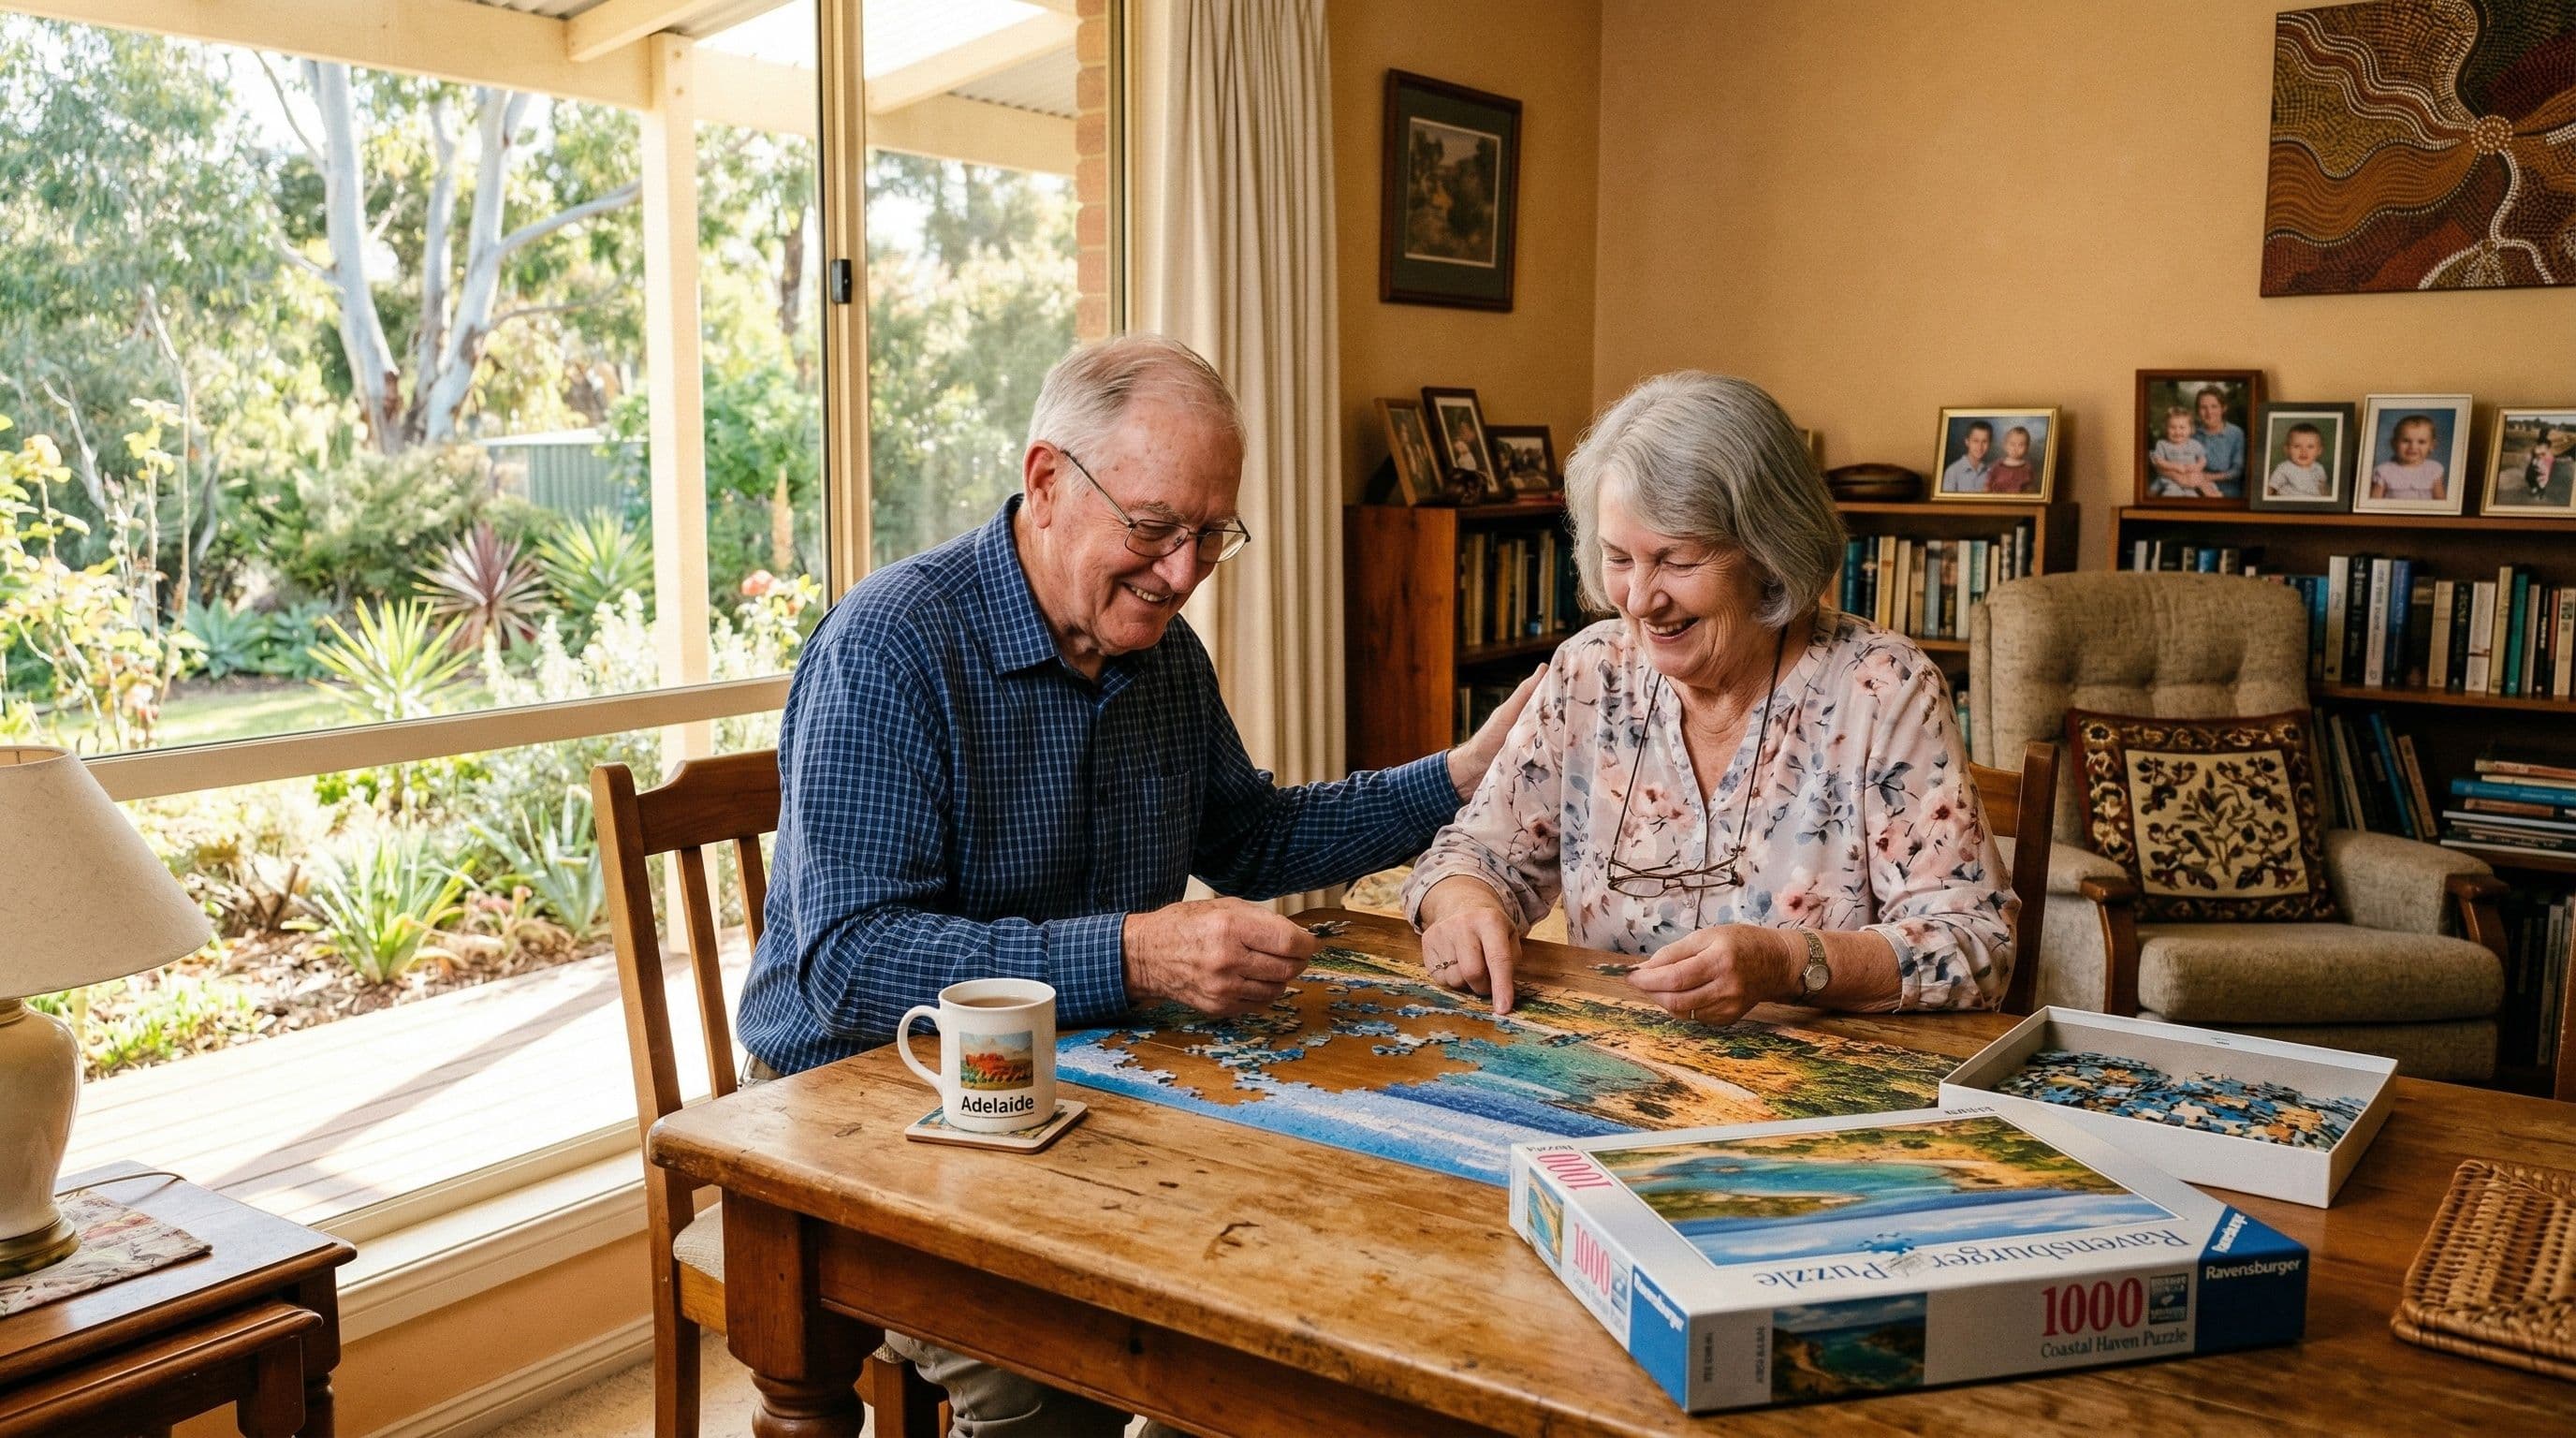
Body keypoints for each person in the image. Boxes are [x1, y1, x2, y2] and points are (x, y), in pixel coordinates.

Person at [736, 333, 1536, 1435]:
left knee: (1281, 1295)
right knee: (1061, 1370)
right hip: (861, 1101)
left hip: (1084, 1079)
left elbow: (1252, 837)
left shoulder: (1162, 651)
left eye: (1212, 535)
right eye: (1156, 528)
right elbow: (847, 965)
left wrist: (1458, 773)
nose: (1182, 571)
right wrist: (1137, 954)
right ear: (1048, 483)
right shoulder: (891, 646)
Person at [1403, 372, 2015, 1025]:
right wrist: (1463, 904)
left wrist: (1788, 963)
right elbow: (1474, 856)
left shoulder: (1882, 688)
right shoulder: (1590, 674)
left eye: (1677, 561)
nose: (1640, 600)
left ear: (1768, 550)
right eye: (1618, 558)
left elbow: (1976, 945)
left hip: (1824, 1091)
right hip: (1612, 1075)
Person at [2370, 414, 2446, 500]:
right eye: (2406, 441)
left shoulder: (2433, 469)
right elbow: (2374, 501)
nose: (2413, 447)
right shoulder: (2384, 471)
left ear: (2432, 446)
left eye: (2421, 442)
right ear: (2394, 444)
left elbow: (2441, 500)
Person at [2191, 387, 2247, 498]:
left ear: (2223, 408)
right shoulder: (2193, 434)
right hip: (2197, 487)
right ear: (2198, 410)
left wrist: (2209, 477)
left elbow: (2237, 470)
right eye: (2203, 407)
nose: (2209, 412)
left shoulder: (2235, 433)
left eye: (2214, 406)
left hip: (2228, 490)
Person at [2148, 406, 2211, 497]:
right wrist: (2175, 466)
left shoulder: (2194, 444)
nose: (2177, 431)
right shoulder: (2162, 444)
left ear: (2190, 429)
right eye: (2172, 427)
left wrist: (2197, 466)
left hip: (2190, 480)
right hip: (2171, 480)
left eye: (2182, 427)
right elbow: (2159, 461)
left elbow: (2203, 459)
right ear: (2166, 428)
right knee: (2172, 493)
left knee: (2193, 496)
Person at [2265, 422, 2331, 499]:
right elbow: (2271, 487)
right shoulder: (2284, 468)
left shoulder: (2319, 468)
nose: (2303, 451)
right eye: (2297, 446)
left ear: (2319, 450)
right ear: (2287, 449)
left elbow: (2323, 488)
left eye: (2310, 447)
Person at [1984, 424, 2039, 493]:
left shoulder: (2027, 467)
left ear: (2027, 448)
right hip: (1998, 501)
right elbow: (1988, 484)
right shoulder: (1997, 465)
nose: (2016, 448)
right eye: (2012, 444)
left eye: (2021, 445)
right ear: (2005, 446)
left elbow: (2030, 488)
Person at [1941, 420, 1993, 492]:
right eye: (1976, 441)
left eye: (1984, 441)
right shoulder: (1953, 471)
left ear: (1989, 444)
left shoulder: (1991, 472)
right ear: (1967, 442)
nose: (1980, 447)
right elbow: (1947, 503)